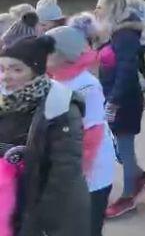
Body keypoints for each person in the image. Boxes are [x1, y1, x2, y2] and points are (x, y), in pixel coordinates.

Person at [0, 36, 90, 236]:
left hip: (36, 208)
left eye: (16, 69)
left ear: (35, 71)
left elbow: (63, 179)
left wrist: (39, 225)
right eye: (2, 69)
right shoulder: (6, 101)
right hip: (7, 204)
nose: (6, 76)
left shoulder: (60, 109)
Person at [45, 18, 117, 236]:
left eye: (48, 53)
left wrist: (76, 174)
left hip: (90, 174)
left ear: (63, 57)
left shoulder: (86, 86)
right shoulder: (56, 78)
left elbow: (91, 133)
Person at [96, 0, 145, 218]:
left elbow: (127, 71)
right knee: (120, 146)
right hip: (114, 96)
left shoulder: (126, 35)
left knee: (124, 146)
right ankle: (139, 176)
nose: (96, 9)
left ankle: (129, 195)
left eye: (100, 6)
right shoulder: (113, 33)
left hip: (125, 100)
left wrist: (114, 101)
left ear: (112, 8)